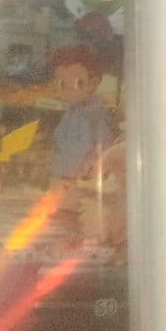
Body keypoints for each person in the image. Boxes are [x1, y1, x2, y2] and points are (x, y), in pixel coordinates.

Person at [48, 46, 111, 214]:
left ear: (93, 83)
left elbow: (103, 144)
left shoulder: (94, 116)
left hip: (80, 180)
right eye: (61, 83)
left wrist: (93, 164)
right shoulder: (70, 113)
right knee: (61, 213)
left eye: (78, 83)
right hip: (63, 176)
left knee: (76, 214)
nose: (68, 89)